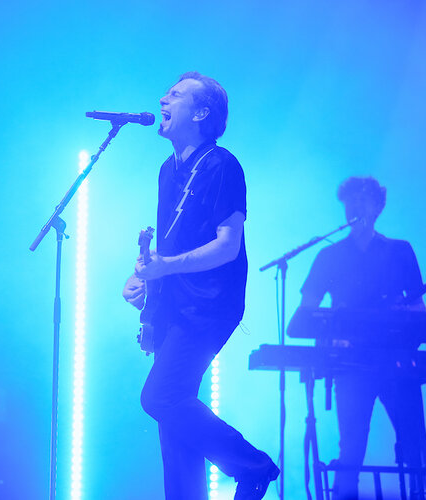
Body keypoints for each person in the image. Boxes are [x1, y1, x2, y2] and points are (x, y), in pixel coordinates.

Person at [123, 72, 278, 500]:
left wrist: (167, 267)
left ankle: (253, 466)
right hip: (174, 305)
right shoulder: (167, 170)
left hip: (210, 304)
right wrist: (143, 276)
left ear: (201, 113)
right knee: (175, 423)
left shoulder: (221, 165)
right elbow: (173, 243)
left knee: (160, 396)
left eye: (175, 95)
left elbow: (228, 246)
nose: (162, 99)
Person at [299, 176, 426, 500]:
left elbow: (419, 307)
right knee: (351, 448)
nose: (354, 207)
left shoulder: (400, 251)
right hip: (351, 365)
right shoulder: (329, 255)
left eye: (362, 200)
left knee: (415, 446)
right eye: (350, 201)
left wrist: (404, 318)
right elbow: (307, 312)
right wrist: (330, 336)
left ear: (378, 207)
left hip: (397, 362)